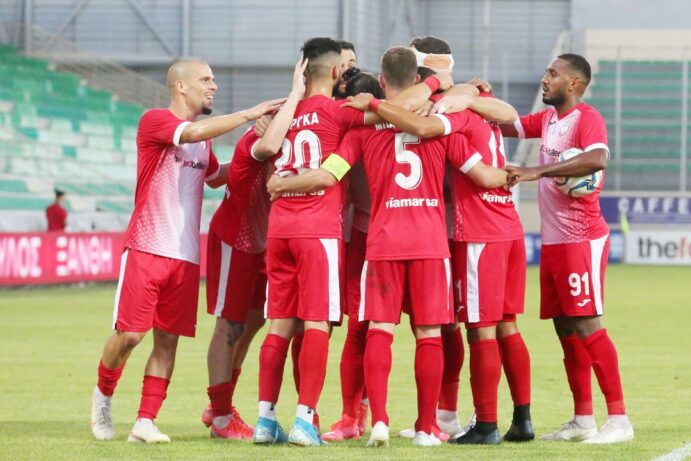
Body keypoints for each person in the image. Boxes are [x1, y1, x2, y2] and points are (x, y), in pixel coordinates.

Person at [268, 46, 513, 448]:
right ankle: (425, 427)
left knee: (378, 329)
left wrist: (283, 184)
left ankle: (378, 420)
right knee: (429, 333)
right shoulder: (437, 123)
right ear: (417, 81)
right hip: (430, 241)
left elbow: (330, 173)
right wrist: (519, 174)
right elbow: (483, 174)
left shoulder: (362, 131)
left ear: (381, 81)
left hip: (382, 240)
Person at [89, 58, 285, 443]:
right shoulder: (156, 121)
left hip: (186, 256)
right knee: (130, 335)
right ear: (181, 86)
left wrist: (261, 151)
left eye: (213, 80)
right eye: (205, 80)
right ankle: (103, 395)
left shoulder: (203, 141)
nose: (213, 86)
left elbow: (215, 176)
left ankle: (145, 421)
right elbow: (192, 131)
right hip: (147, 247)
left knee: (168, 341)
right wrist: (250, 115)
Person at [505, 53, 634, 444]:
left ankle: (619, 419)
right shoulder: (547, 119)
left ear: (574, 83)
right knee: (565, 329)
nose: (545, 79)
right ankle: (583, 419)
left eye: (553, 74)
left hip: (582, 238)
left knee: (588, 324)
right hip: (555, 242)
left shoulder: (586, 118)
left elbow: (597, 158)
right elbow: (507, 123)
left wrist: (538, 171)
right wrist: (475, 98)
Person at [253, 37, 372, 447]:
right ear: (337, 72)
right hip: (317, 230)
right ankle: (305, 420)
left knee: (279, 325)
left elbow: (266, 152)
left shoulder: (283, 116)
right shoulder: (340, 113)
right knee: (318, 322)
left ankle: (265, 419)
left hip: (279, 230)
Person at [201, 58, 309, 441]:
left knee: (252, 324)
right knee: (229, 326)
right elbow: (266, 147)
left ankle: (219, 404)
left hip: (266, 243)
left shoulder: (297, 137)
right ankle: (221, 417)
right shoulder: (265, 135)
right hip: (236, 239)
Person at [320, 71, 383, 443]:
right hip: (411, 230)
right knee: (431, 330)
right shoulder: (411, 122)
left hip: (367, 235)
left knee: (360, 331)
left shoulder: (349, 135)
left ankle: (352, 415)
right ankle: (437, 418)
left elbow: (330, 175)